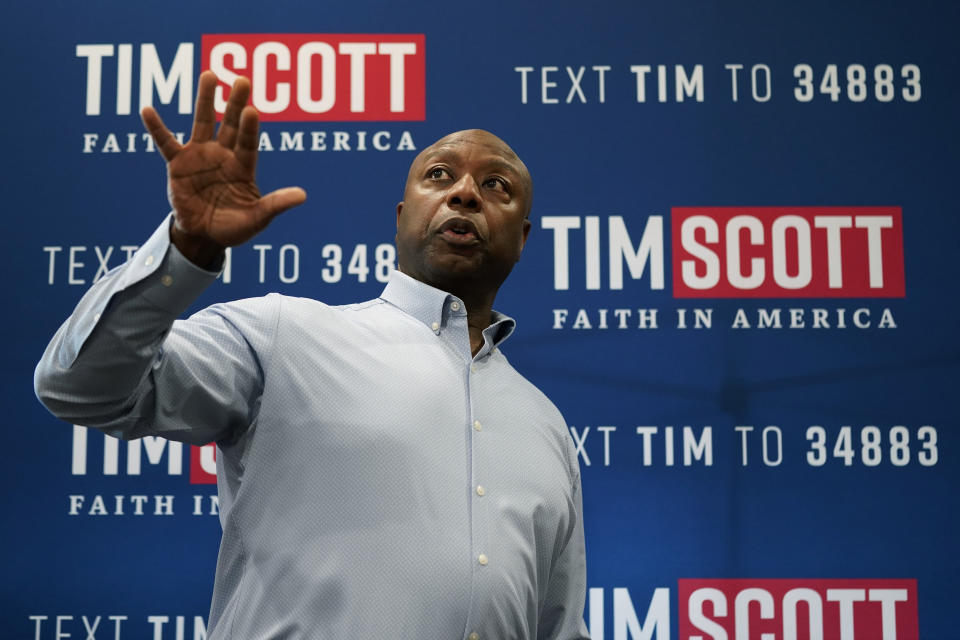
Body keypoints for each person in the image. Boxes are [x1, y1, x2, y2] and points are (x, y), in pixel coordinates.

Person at [35, 71, 589, 639]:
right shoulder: (286, 337)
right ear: (401, 218)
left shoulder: (544, 423)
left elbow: (559, 626)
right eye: (440, 175)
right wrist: (186, 249)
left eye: (496, 185)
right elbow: (79, 387)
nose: (465, 192)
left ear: (523, 238)